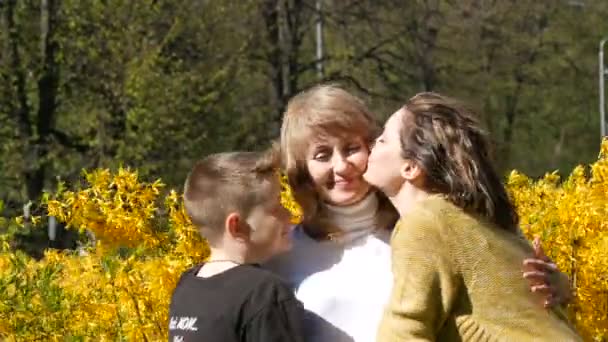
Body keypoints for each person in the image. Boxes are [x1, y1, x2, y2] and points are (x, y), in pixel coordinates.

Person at [265, 84, 573, 342]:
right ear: (301, 169)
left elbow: (508, 292)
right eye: (322, 155)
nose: (341, 166)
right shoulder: (281, 252)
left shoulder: (427, 225)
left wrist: (559, 286)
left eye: (351, 148)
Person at [364, 92, 581, 341]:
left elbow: (404, 328)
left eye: (383, 140)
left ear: (411, 168)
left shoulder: (426, 222)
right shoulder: (483, 220)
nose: (373, 144)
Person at [168, 151, 305, 342]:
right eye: (276, 206)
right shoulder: (263, 293)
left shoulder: (186, 287)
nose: (288, 214)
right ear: (237, 226)